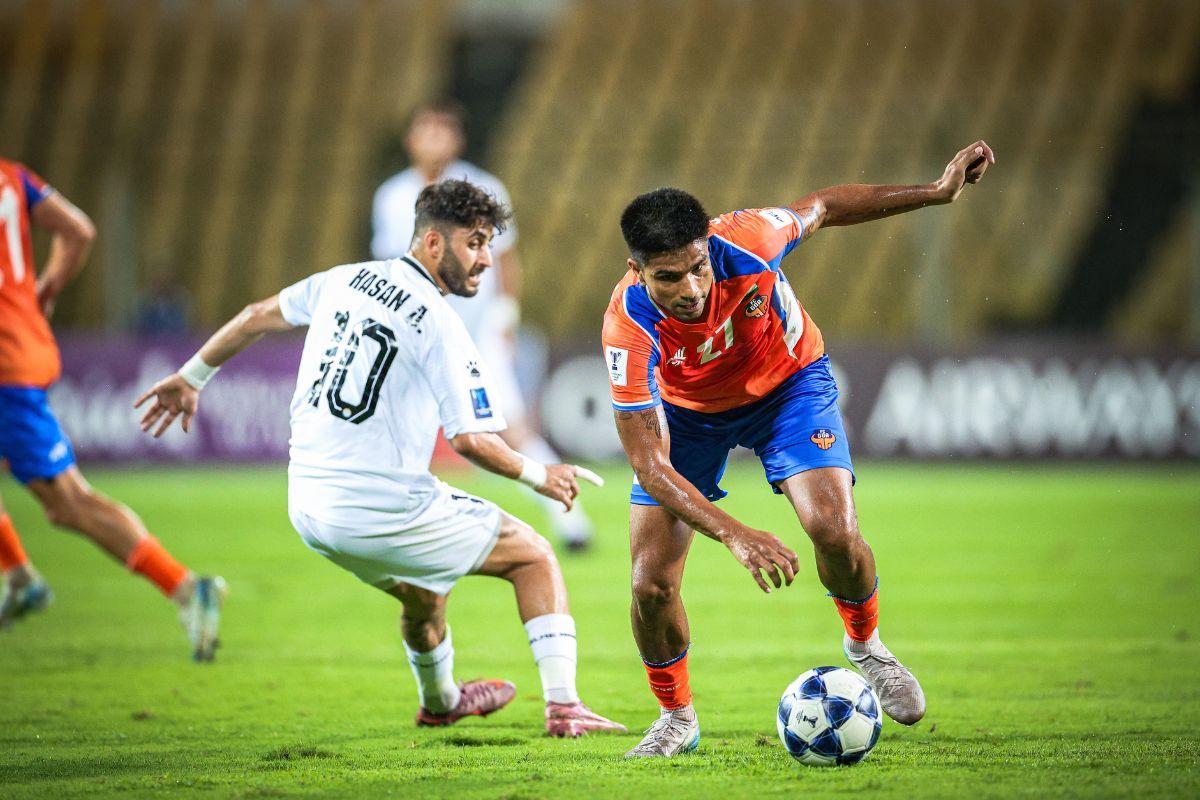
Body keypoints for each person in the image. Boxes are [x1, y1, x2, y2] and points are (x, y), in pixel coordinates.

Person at [136, 180, 625, 736]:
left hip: (310, 510)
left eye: (489, 244)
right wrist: (541, 474)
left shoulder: (343, 279)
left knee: (423, 596)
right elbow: (469, 440)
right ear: (434, 244)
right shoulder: (441, 324)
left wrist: (192, 376)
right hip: (381, 505)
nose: (487, 259)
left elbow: (254, 315)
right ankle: (565, 708)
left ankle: (441, 701)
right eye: (476, 243)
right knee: (534, 557)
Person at [604, 142, 996, 757]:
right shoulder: (627, 327)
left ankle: (865, 644)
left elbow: (824, 206)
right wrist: (735, 533)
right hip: (688, 417)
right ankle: (676, 715)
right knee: (650, 584)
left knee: (834, 531)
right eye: (667, 277)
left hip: (787, 385)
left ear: (707, 244)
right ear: (637, 270)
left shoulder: (751, 238)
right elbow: (650, 465)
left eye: (696, 266)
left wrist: (934, 190)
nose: (690, 287)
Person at [0, 157, 225, 659]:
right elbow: (77, 230)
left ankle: (187, 587)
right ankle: (17, 574)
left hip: (4, 364)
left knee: (68, 502)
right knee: (65, 502)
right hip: (23, 346)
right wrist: (46, 290)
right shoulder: (13, 176)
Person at [372, 98, 594, 551]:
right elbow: (387, 268)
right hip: (414, 332)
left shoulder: (483, 187)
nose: (434, 138)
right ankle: (397, 527)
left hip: (475, 334)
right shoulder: (392, 196)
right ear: (410, 139)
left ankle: (570, 518)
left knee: (509, 426)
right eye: (425, 129)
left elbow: (507, 258)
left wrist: (505, 317)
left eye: (443, 129)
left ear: (458, 138)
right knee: (396, 424)